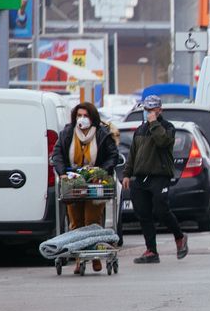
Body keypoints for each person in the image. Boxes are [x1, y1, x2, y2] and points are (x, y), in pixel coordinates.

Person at [52, 102, 121, 273]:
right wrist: (61, 173)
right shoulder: (68, 133)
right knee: (76, 223)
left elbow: (112, 155)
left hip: (94, 183)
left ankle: (95, 257)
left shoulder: (102, 134)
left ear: (92, 118)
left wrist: (102, 171)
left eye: (85, 115)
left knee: (92, 222)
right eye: (79, 115)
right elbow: (57, 154)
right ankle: (78, 259)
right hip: (73, 183)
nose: (82, 119)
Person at [127, 95, 188, 264]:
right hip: (140, 177)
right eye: (147, 110)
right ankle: (151, 250)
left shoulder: (168, 127)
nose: (149, 114)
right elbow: (133, 153)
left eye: (152, 110)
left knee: (161, 209)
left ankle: (179, 237)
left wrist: (154, 123)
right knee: (143, 212)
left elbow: (162, 142)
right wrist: (127, 173)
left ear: (160, 110)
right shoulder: (140, 130)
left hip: (159, 176)